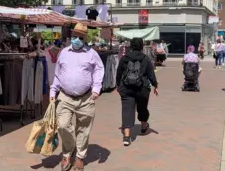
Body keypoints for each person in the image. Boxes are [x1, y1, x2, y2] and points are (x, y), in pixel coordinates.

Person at [50, 23, 105, 171]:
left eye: (80, 37)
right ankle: (68, 151)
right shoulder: (64, 52)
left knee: (84, 129)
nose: (76, 39)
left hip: (86, 98)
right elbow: (58, 73)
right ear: (71, 36)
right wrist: (53, 90)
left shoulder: (91, 53)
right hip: (65, 96)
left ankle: (80, 157)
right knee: (62, 125)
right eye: (75, 36)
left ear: (85, 38)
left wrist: (96, 88)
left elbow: (99, 70)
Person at [116, 38, 158, 147]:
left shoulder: (124, 58)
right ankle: (144, 127)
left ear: (131, 46)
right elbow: (151, 73)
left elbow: (119, 73)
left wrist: (118, 85)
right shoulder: (145, 58)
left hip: (126, 88)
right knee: (142, 107)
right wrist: (155, 85)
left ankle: (126, 137)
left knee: (127, 110)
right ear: (141, 47)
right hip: (142, 88)